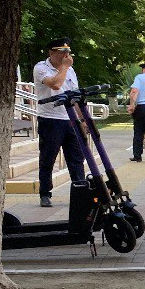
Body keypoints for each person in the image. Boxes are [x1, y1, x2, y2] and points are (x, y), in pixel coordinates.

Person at [32, 37, 86, 208]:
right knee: (48, 158)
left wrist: (82, 120)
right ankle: (45, 193)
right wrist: (64, 67)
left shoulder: (70, 70)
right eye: (62, 52)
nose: (66, 56)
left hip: (70, 120)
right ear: (51, 52)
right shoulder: (41, 68)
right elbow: (55, 85)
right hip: (50, 119)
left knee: (76, 158)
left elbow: (74, 96)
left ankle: (80, 191)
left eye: (67, 52)